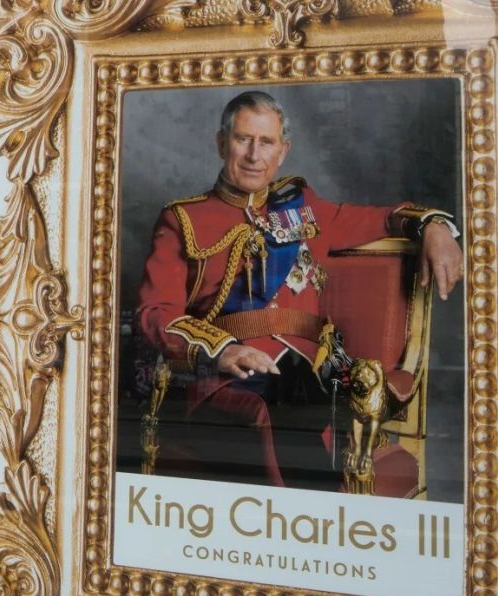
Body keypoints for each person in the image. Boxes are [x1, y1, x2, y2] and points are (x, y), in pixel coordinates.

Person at [136, 91, 463, 490]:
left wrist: (432, 226)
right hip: (228, 373)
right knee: (277, 403)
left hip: (314, 366)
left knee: (322, 389)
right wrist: (221, 350)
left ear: (283, 151)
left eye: (267, 142)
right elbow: (155, 312)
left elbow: (380, 219)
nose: (254, 155)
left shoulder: (304, 208)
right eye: (243, 139)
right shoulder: (183, 218)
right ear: (222, 143)